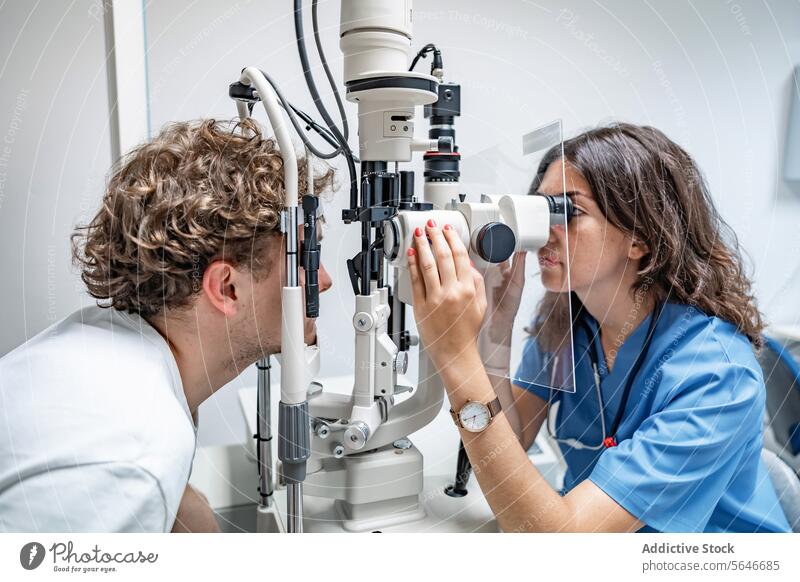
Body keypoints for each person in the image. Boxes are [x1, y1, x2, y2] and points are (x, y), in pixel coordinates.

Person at [406, 123, 791, 532]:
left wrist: (455, 354)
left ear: (640, 238)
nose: (541, 233)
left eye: (567, 212)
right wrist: (494, 333)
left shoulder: (716, 376)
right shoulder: (568, 325)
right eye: (539, 210)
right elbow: (510, 439)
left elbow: (563, 544)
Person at [0, 119, 333, 532]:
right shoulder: (135, 455)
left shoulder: (102, 344)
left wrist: (188, 511)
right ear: (227, 288)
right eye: (303, 262)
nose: (324, 280)